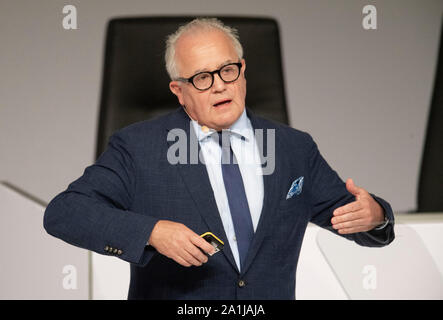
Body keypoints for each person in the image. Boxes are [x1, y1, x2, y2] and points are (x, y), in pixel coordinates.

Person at [43, 18, 395, 300]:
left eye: (227, 70)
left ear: (242, 71)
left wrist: (374, 215)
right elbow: (64, 212)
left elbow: (358, 221)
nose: (219, 85)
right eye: (201, 78)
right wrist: (151, 232)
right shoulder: (138, 148)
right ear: (178, 91)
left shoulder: (293, 148)